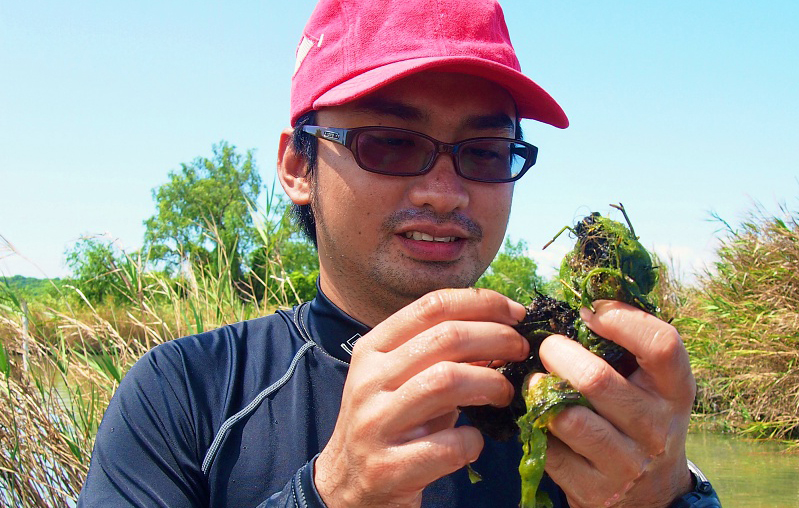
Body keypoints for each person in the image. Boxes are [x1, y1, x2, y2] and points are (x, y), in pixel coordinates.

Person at [78, 0, 721, 506]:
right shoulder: (183, 394)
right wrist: (331, 497)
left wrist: (671, 498)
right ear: (298, 165)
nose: (445, 193)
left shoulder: (590, 396)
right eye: (388, 143)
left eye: (486, 153)